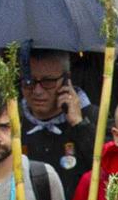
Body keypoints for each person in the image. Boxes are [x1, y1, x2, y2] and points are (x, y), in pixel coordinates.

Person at [16, 50, 98, 180]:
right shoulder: (12, 119)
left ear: (66, 80)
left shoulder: (93, 117)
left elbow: (107, 170)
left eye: (48, 82)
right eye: (29, 82)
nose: (37, 91)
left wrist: (79, 124)